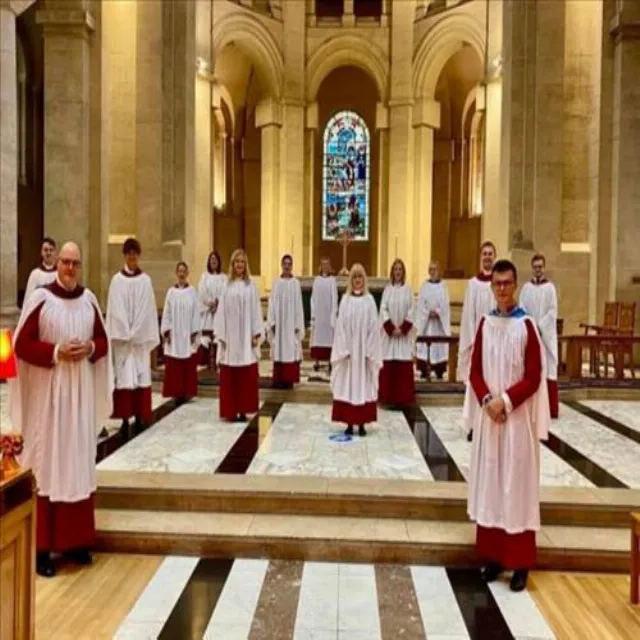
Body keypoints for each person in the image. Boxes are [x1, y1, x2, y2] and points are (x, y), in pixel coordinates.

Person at [9, 242, 111, 578]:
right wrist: (55, 352)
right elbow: (21, 345)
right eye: (65, 262)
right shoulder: (41, 299)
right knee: (50, 464)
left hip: (79, 397)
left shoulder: (89, 301)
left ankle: (77, 542)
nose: (68, 268)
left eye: (74, 263)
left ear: (80, 267)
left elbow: (103, 341)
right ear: (56, 265)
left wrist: (91, 346)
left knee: (77, 464)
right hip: (51, 399)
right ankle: (42, 548)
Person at [464, 259, 549, 593]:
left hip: (515, 424)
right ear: (492, 286)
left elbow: (533, 375)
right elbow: (473, 372)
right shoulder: (485, 324)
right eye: (497, 283)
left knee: (517, 488)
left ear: (515, 285)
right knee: (493, 487)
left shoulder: (526, 325)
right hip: (490, 421)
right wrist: (487, 401)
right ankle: (495, 557)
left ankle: (521, 564)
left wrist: (506, 402)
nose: (502, 289)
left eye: (507, 283)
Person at [106, 238, 159, 435]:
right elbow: (115, 309)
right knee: (124, 379)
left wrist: (136, 331)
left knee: (139, 377)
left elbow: (147, 310)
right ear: (125, 255)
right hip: (123, 341)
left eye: (135, 253)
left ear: (138, 255)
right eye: (128, 253)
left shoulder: (145, 281)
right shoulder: (116, 281)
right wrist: (124, 331)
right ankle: (125, 420)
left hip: (138, 342)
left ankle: (138, 417)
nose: (132, 257)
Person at [330, 263, 382, 436]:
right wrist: (344, 349)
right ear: (351, 280)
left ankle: (362, 423)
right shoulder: (345, 301)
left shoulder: (369, 301)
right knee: (348, 386)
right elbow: (341, 327)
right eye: (355, 277)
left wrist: (369, 350)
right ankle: (349, 423)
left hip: (364, 353)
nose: (358, 280)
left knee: (363, 386)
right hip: (349, 355)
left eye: (360, 277)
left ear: (364, 280)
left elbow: (374, 327)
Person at [214, 249, 264, 421]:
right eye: (237, 262)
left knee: (245, 375)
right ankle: (231, 410)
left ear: (246, 264)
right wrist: (221, 335)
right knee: (231, 373)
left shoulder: (251, 287)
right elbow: (220, 313)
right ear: (232, 264)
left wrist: (256, 333)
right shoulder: (226, 287)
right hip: (230, 338)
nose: (240, 265)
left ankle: (243, 409)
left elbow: (256, 311)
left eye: (242, 261)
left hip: (245, 339)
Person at [457, 241, 496, 441]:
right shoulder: (473, 284)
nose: (487, 257)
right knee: (475, 385)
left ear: (494, 257)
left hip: (495, 344)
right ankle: (473, 424)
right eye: (485, 254)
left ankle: (489, 424)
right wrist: (474, 341)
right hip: (477, 343)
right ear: (480, 257)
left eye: (490, 254)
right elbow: (468, 315)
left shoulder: (498, 283)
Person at [519, 254, 559, 418]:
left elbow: (552, 311)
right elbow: (521, 308)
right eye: (535, 266)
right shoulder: (526, 288)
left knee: (548, 367)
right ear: (531, 267)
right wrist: (531, 325)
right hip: (531, 333)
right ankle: (531, 407)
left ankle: (550, 408)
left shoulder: (550, 288)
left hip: (545, 335)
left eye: (540, 266)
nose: (537, 269)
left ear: (544, 267)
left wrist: (540, 326)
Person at [161, 261, 201, 402]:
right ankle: (175, 391)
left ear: (187, 273)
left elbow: (196, 312)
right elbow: (167, 313)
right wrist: (167, 331)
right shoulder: (171, 293)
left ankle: (186, 391)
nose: (182, 274)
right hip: (175, 333)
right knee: (174, 363)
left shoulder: (193, 292)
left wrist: (194, 332)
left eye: (184, 271)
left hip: (187, 333)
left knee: (187, 361)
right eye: (180, 271)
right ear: (176, 273)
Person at [378, 258, 415, 408]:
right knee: (389, 365)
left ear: (403, 272)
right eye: (395, 269)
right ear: (392, 272)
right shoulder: (387, 290)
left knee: (403, 366)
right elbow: (383, 309)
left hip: (403, 337)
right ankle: (388, 398)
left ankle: (403, 399)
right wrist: (391, 328)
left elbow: (412, 310)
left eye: (400, 269)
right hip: (390, 336)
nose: (398, 272)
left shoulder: (408, 290)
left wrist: (403, 328)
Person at [267, 254, 305, 389]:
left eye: (289, 264)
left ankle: (289, 379)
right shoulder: (276, 283)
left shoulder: (296, 284)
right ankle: (279, 379)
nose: (287, 266)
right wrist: (272, 322)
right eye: (285, 264)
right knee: (279, 349)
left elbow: (299, 305)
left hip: (291, 326)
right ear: (281, 265)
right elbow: (271, 304)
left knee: (290, 350)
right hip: (279, 325)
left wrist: (297, 325)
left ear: (291, 266)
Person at [416, 261, 451, 380]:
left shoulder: (443, 286)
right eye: (430, 269)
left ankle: (439, 369)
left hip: (438, 324)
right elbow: (420, 304)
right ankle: (424, 369)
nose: (432, 271)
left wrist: (438, 312)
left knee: (439, 344)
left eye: (435, 269)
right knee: (425, 346)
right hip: (427, 324)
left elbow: (445, 304)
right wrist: (427, 312)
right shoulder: (424, 286)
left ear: (439, 270)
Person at [197, 250, 226, 371]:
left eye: (215, 259)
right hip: (207, 313)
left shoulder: (224, 277)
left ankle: (217, 364)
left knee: (218, 337)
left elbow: (225, 293)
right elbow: (202, 292)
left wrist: (218, 303)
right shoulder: (204, 276)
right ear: (209, 262)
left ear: (219, 262)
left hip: (219, 313)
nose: (213, 261)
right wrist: (210, 303)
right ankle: (206, 365)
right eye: (211, 259)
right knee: (205, 338)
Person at [310, 257, 338, 373]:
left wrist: (333, 313)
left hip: (328, 314)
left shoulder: (332, 280)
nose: (325, 267)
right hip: (319, 314)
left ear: (329, 266)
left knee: (329, 338)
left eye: (327, 265)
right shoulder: (316, 280)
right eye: (323, 265)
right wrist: (313, 314)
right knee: (317, 338)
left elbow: (335, 297)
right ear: (320, 266)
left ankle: (329, 361)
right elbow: (313, 298)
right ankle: (316, 361)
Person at [23, 237, 57, 306]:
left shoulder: (60, 274)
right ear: (41, 252)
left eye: (51, 250)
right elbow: (28, 299)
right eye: (46, 250)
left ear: (55, 252)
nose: (49, 253)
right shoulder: (35, 274)